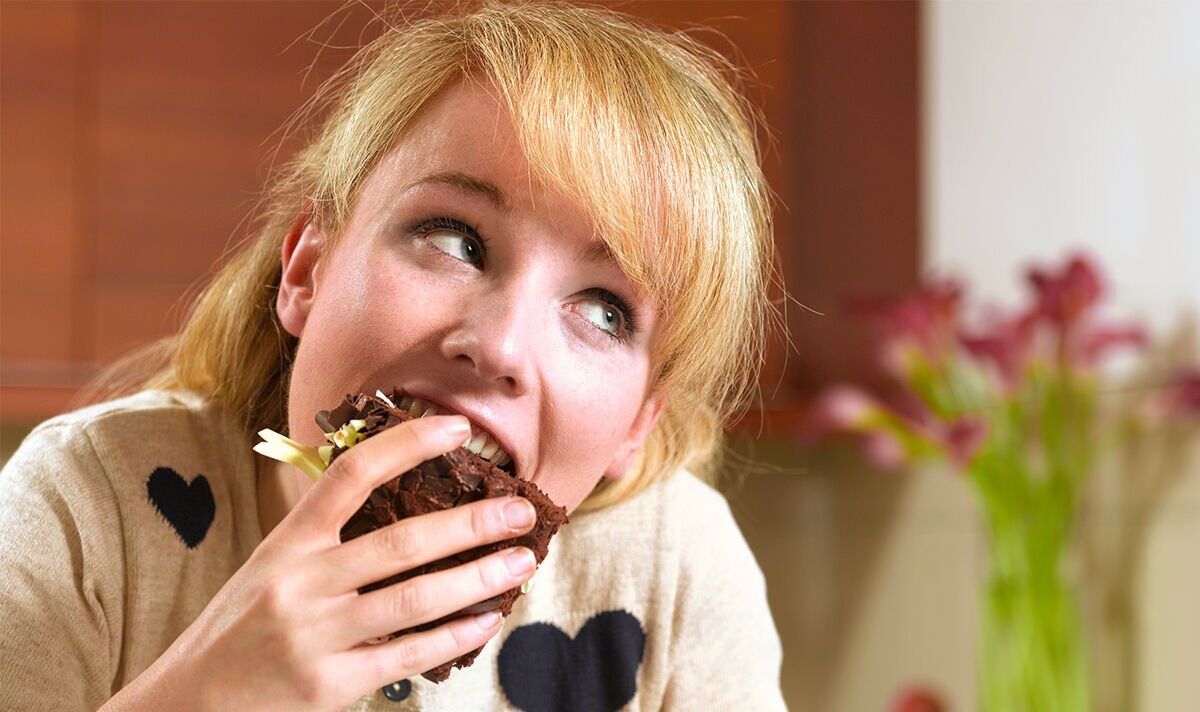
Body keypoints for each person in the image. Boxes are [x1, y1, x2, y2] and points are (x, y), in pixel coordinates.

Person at [0, 1, 787, 709]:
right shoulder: (90, 507)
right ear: (307, 271)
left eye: (604, 312)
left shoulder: (670, 571)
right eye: (457, 240)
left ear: (639, 423)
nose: (500, 345)